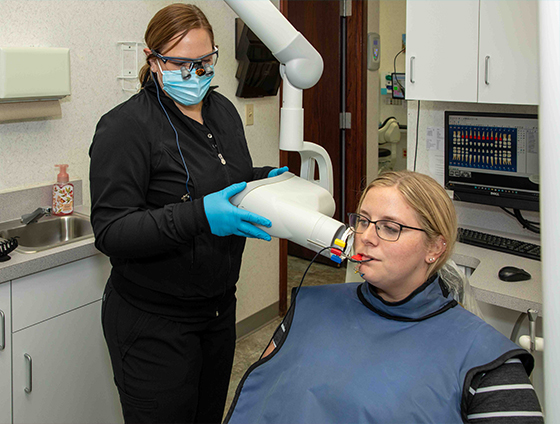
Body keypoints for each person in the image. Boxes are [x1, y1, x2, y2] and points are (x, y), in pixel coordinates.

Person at [89, 4, 287, 423]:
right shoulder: (125, 127)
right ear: (153, 60)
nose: (194, 73)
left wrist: (264, 179)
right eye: (180, 63)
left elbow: (223, 177)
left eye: (205, 61)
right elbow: (111, 230)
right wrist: (199, 216)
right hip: (153, 325)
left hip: (216, 313)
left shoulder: (224, 112)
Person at [225, 170, 544, 424]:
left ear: (435, 248)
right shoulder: (310, 307)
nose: (365, 237)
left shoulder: (488, 363)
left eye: (390, 227)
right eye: (362, 221)